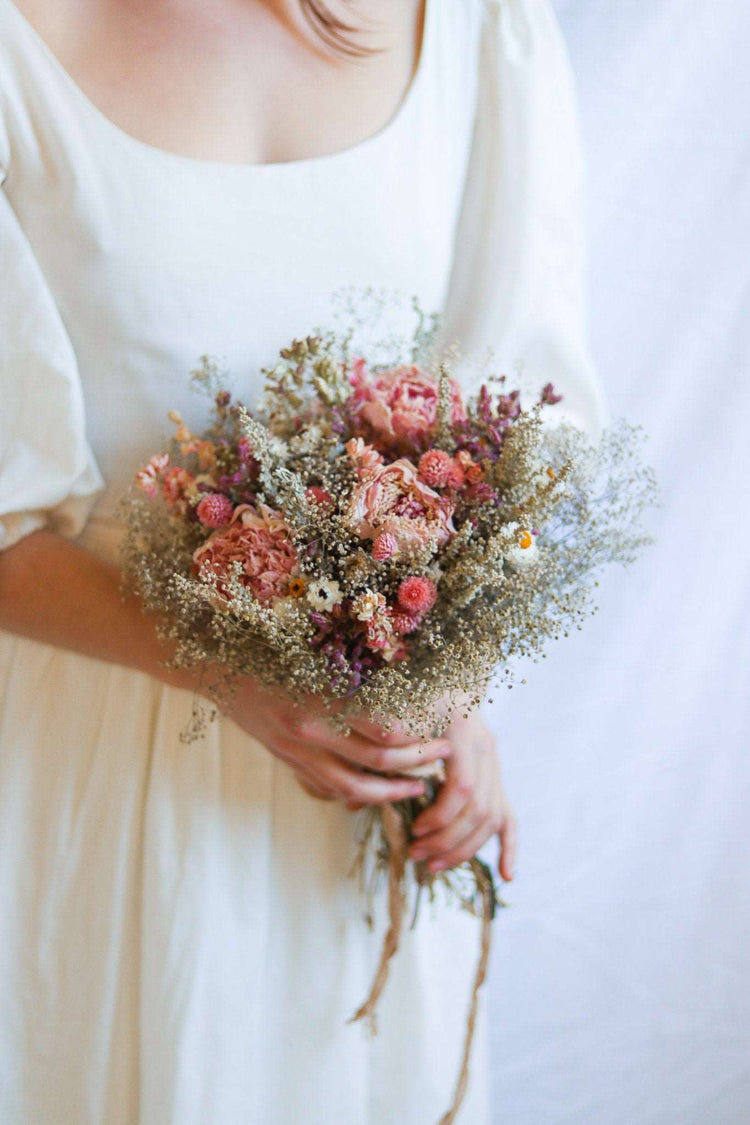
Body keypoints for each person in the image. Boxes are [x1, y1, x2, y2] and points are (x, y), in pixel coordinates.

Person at [0, 0, 605, 1121]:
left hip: (367, 791)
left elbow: (536, 424)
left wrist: (446, 687)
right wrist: (227, 669)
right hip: (86, 767)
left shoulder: (476, 25)